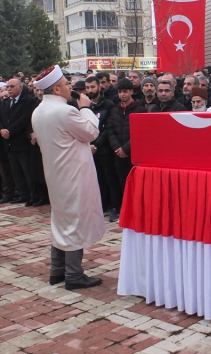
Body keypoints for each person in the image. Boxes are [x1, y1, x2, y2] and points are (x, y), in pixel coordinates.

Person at [31, 65, 105, 290]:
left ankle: (57, 271)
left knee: (61, 219)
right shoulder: (66, 111)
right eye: (65, 84)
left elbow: (64, 141)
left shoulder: (38, 111)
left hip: (55, 173)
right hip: (73, 174)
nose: (69, 87)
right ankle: (74, 274)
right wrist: (85, 109)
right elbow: (91, 132)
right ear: (56, 89)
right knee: (75, 221)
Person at [85, 77, 120, 222]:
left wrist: (97, 145)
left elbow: (108, 128)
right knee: (96, 179)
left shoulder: (109, 105)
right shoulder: (85, 106)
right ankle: (101, 205)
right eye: (87, 87)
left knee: (110, 179)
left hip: (104, 149)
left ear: (99, 87)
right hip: (89, 149)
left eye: (92, 87)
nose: (90, 90)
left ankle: (115, 207)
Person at [107, 78, 146, 200]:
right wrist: (117, 148)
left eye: (125, 91)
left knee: (136, 183)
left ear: (131, 92)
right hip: (118, 153)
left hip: (133, 154)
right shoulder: (114, 109)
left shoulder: (140, 109)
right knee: (122, 183)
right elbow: (111, 130)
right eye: (120, 92)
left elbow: (141, 132)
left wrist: (126, 149)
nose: (122, 94)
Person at [0, 79, 37, 205]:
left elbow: (24, 119)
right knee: (15, 171)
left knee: (27, 171)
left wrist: (10, 131)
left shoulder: (28, 101)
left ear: (20, 87)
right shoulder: (5, 102)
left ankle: (33, 195)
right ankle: (22, 194)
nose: (9, 89)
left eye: (12, 86)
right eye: (8, 86)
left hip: (22, 142)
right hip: (8, 142)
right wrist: (2, 130)